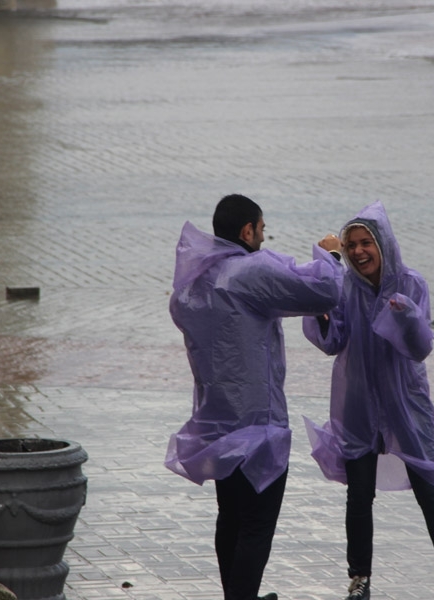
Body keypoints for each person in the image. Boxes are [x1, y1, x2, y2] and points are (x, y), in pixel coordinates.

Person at [164, 194, 343, 600]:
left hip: (217, 425)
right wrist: (331, 255)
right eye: (262, 229)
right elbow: (323, 291)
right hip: (260, 429)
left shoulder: (195, 283)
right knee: (257, 526)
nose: (263, 238)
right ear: (247, 231)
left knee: (230, 517)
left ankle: (236, 595)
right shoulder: (251, 272)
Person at [302, 201, 434, 600]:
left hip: (405, 403)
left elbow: (420, 348)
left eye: (366, 243)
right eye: (351, 246)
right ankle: (359, 580)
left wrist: (408, 316)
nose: (359, 252)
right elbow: (330, 342)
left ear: (383, 244)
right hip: (358, 401)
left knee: (429, 489)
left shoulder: (411, 284)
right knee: (359, 494)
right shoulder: (344, 286)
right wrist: (325, 276)